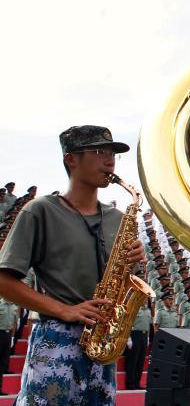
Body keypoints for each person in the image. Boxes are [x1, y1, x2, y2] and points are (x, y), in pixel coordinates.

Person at [0, 125, 145, 406]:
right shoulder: (39, 211)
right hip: (56, 340)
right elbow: (4, 281)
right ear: (71, 158)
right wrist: (65, 310)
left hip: (103, 342)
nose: (110, 160)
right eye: (99, 151)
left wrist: (134, 263)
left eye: (113, 153)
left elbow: (126, 282)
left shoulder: (117, 218)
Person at [124, 297, 151, 390]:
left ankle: (137, 383)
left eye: (146, 299)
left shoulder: (148, 310)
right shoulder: (134, 309)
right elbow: (128, 324)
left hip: (144, 335)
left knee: (140, 361)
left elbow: (148, 325)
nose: (145, 300)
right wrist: (128, 338)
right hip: (135, 335)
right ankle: (130, 384)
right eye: (143, 298)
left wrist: (147, 337)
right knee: (133, 361)